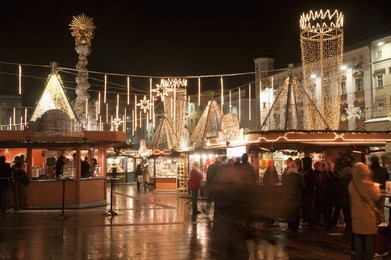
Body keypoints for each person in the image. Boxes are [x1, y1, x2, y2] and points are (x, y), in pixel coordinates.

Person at [348, 162, 380, 259]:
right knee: (368, 242)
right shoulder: (369, 185)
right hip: (368, 218)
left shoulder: (351, 184)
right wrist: (376, 187)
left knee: (358, 240)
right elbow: (376, 196)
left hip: (356, 217)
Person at [281, 161, 305, 231]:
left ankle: (290, 225)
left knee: (289, 211)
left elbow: (283, 185)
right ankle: (296, 226)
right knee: (296, 211)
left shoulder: (286, 175)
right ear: (296, 167)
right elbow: (303, 185)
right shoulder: (299, 175)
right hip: (296, 195)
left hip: (288, 195)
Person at [320, 162, 340, 230]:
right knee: (331, 209)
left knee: (327, 209)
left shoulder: (323, 173)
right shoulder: (333, 173)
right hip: (332, 194)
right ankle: (332, 223)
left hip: (325, 194)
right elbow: (338, 180)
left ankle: (327, 222)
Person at [369, 154, 388, 221]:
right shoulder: (383, 169)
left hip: (372, 191)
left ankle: (374, 225)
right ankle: (382, 225)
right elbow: (387, 177)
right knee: (381, 208)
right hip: (382, 191)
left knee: (373, 209)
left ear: (371, 161)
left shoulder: (368, 170)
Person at [339, 167, 353, 232]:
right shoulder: (353, 179)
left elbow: (339, 189)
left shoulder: (341, 179)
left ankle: (347, 226)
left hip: (343, 199)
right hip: (351, 199)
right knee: (351, 213)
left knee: (345, 213)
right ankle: (351, 226)